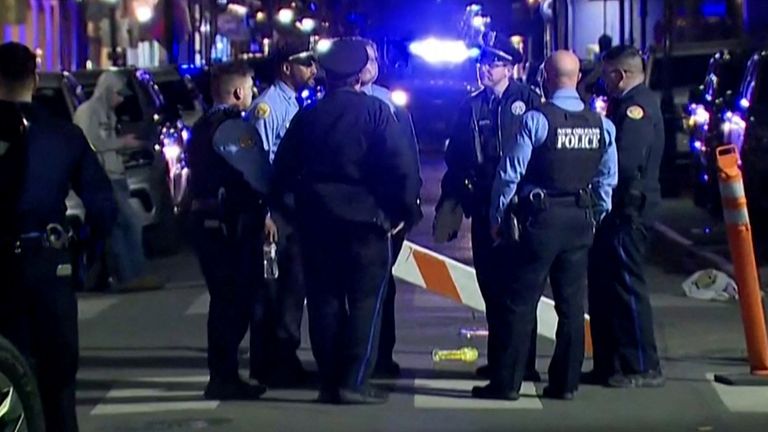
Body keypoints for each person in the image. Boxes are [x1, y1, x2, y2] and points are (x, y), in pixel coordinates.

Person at [272, 38, 421, 404]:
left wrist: (297, 213)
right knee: (366, 302)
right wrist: (400, 214)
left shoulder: (307, 117)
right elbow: (402, 169)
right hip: (367, 224)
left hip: (317, 223)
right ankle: (354, 379)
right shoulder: (376, 113)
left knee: (324, 301)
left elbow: (281, 174)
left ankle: (329, 379)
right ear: (359, 76)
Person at [473, 50, 618, 401]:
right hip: (580, 220)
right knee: (570, 305)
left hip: (541, 220)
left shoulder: (537, 120)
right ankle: (565, 383)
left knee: (519, 302)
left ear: (546, 78)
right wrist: (596, 214)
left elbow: (510, 174)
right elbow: (606, 178)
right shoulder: (602, 124)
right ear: (576, 78)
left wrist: (498, 217)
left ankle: (507, 382)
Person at [0, 42, 117, 431]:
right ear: (34, 79)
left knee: (6, 378)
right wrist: (84, 249)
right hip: (50, 264)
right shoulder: (61, 135)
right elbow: (102, 205)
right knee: (58, 382)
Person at [435, 35, 541, 382]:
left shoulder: (528, 101)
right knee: (491, 288)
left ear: (509, 68)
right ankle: (500, 361)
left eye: (491, 64)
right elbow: (457, 159)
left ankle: (522, 364)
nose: (483, 69)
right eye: (480, 64)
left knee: (519, 290)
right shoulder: (472, 106)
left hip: (519, 209)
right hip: (483, 206)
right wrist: (448, 206)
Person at [186, 62, 270, 400]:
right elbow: (258, 178)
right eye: (250, 86)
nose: (252, 92)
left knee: (224, 301)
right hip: (231, 228)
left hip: (208, 225)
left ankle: (223, 374)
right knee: (234, 303)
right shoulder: (236, 128)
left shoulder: (203, 125)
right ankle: (224, 376)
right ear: (238, 92)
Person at [584, 45, 665, 388]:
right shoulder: (626, 105)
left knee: (627, 288)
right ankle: (611, 364)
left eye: (605, 74)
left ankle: (642, 365)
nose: (602, 82)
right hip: (616, 213)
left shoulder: (637, 108)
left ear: (619, 75)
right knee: (606, 289)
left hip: (628, 212)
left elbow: (626, 162)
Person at [247, 38, 318, 387]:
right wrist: (265, 214)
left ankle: (283, 359)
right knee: (274, 291)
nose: (313, 71)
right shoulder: (268, 108)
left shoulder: (293, 102)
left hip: (293, 209)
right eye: (307, 64)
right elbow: (257, 166)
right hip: (277, 212)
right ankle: (269, 363)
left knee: (293, 289)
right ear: (287, 67)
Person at [358, 37, 423, 378]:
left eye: (373, 59)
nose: (369, 66)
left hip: (384, 213)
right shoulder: (335, 103)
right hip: (352, 211)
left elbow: (407, 158)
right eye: (363, 60)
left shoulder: (390, 103)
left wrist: (406, 208)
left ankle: (381, 355)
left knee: (383, 286)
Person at [73, 71, 161, 292]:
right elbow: (88, 143)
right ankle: (132, 274)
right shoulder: (88, 112)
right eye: (118, 94)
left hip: (116, 175)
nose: (121, 100)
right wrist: (120, 143)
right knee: (131, 222)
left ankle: (129, 274)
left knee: (120, 228)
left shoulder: (108, 114)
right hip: (104, 178)